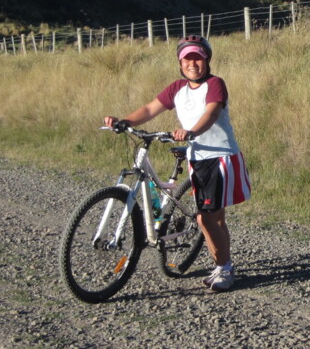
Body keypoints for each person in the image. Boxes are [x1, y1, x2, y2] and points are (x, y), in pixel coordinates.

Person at [104, 35, 251, 292]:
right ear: (180, 62)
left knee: (208, 220)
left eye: (198, 58)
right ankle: (220, 263)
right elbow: (151, 109)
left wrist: (191, 131)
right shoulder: (177, 88)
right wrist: (125, 121)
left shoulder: (215, 84)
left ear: (207, 60)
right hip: (198, 159)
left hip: (219, 158)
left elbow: (212, 112)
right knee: (213, 218)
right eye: (187, 59)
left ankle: (225, 268)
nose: (192, 63)